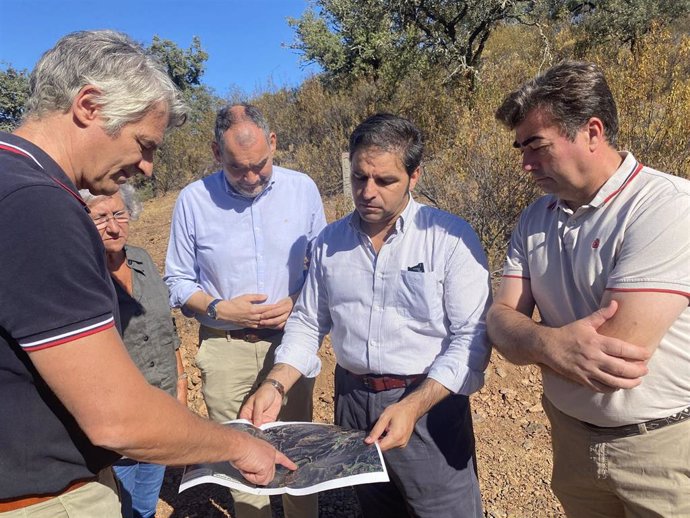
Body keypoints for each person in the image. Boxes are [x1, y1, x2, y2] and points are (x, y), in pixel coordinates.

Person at [0, 30, 295, 517]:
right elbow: (117, 417)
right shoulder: (38, 206)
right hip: (42, 498)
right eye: (143, 143)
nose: (148, 166)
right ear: (89, 105)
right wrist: (239, 446)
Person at [241, 113, 492, 518]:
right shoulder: (329, 242)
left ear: (414, 176)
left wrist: (412, 407)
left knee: (444, 509)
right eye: (359, 178)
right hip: (353, 402)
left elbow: (472, 338)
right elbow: (307, 323)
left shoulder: (449, 237)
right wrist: (276, 383)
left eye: (385, 181)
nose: (368, 192)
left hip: (429, 404)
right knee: (376, 508)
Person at [487, 61, 690, 517]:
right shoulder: (534, 217)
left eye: (537, 146)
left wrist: (528, 340)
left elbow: (614, 356)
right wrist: (548, 342)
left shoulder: (667, 207)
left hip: (661, 448)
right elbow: (499, 320)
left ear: (592, 132)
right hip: (572, 439)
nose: (525, 164)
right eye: (521, 148)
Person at [164, 103, 326, 518]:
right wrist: (221, 309)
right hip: (224, 347)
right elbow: (178, 281)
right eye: (239, 168)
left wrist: (297, 302)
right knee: (239, 459)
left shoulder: (302, 189)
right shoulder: (193, 200)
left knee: (295, 452)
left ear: (273, 144)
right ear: (217, 154)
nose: (253, 177)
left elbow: (323, 267)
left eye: (261, 165)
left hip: (289, 347)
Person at [81, 184, 187, 518]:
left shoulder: (141, 258)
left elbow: (166, 325)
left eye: (119, 214)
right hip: (118, 416)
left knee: (144, 503)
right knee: (121, 504)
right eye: (100, 217)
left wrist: (181, 382)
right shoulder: (82, 274)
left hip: (161, 403)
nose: (113, 226)